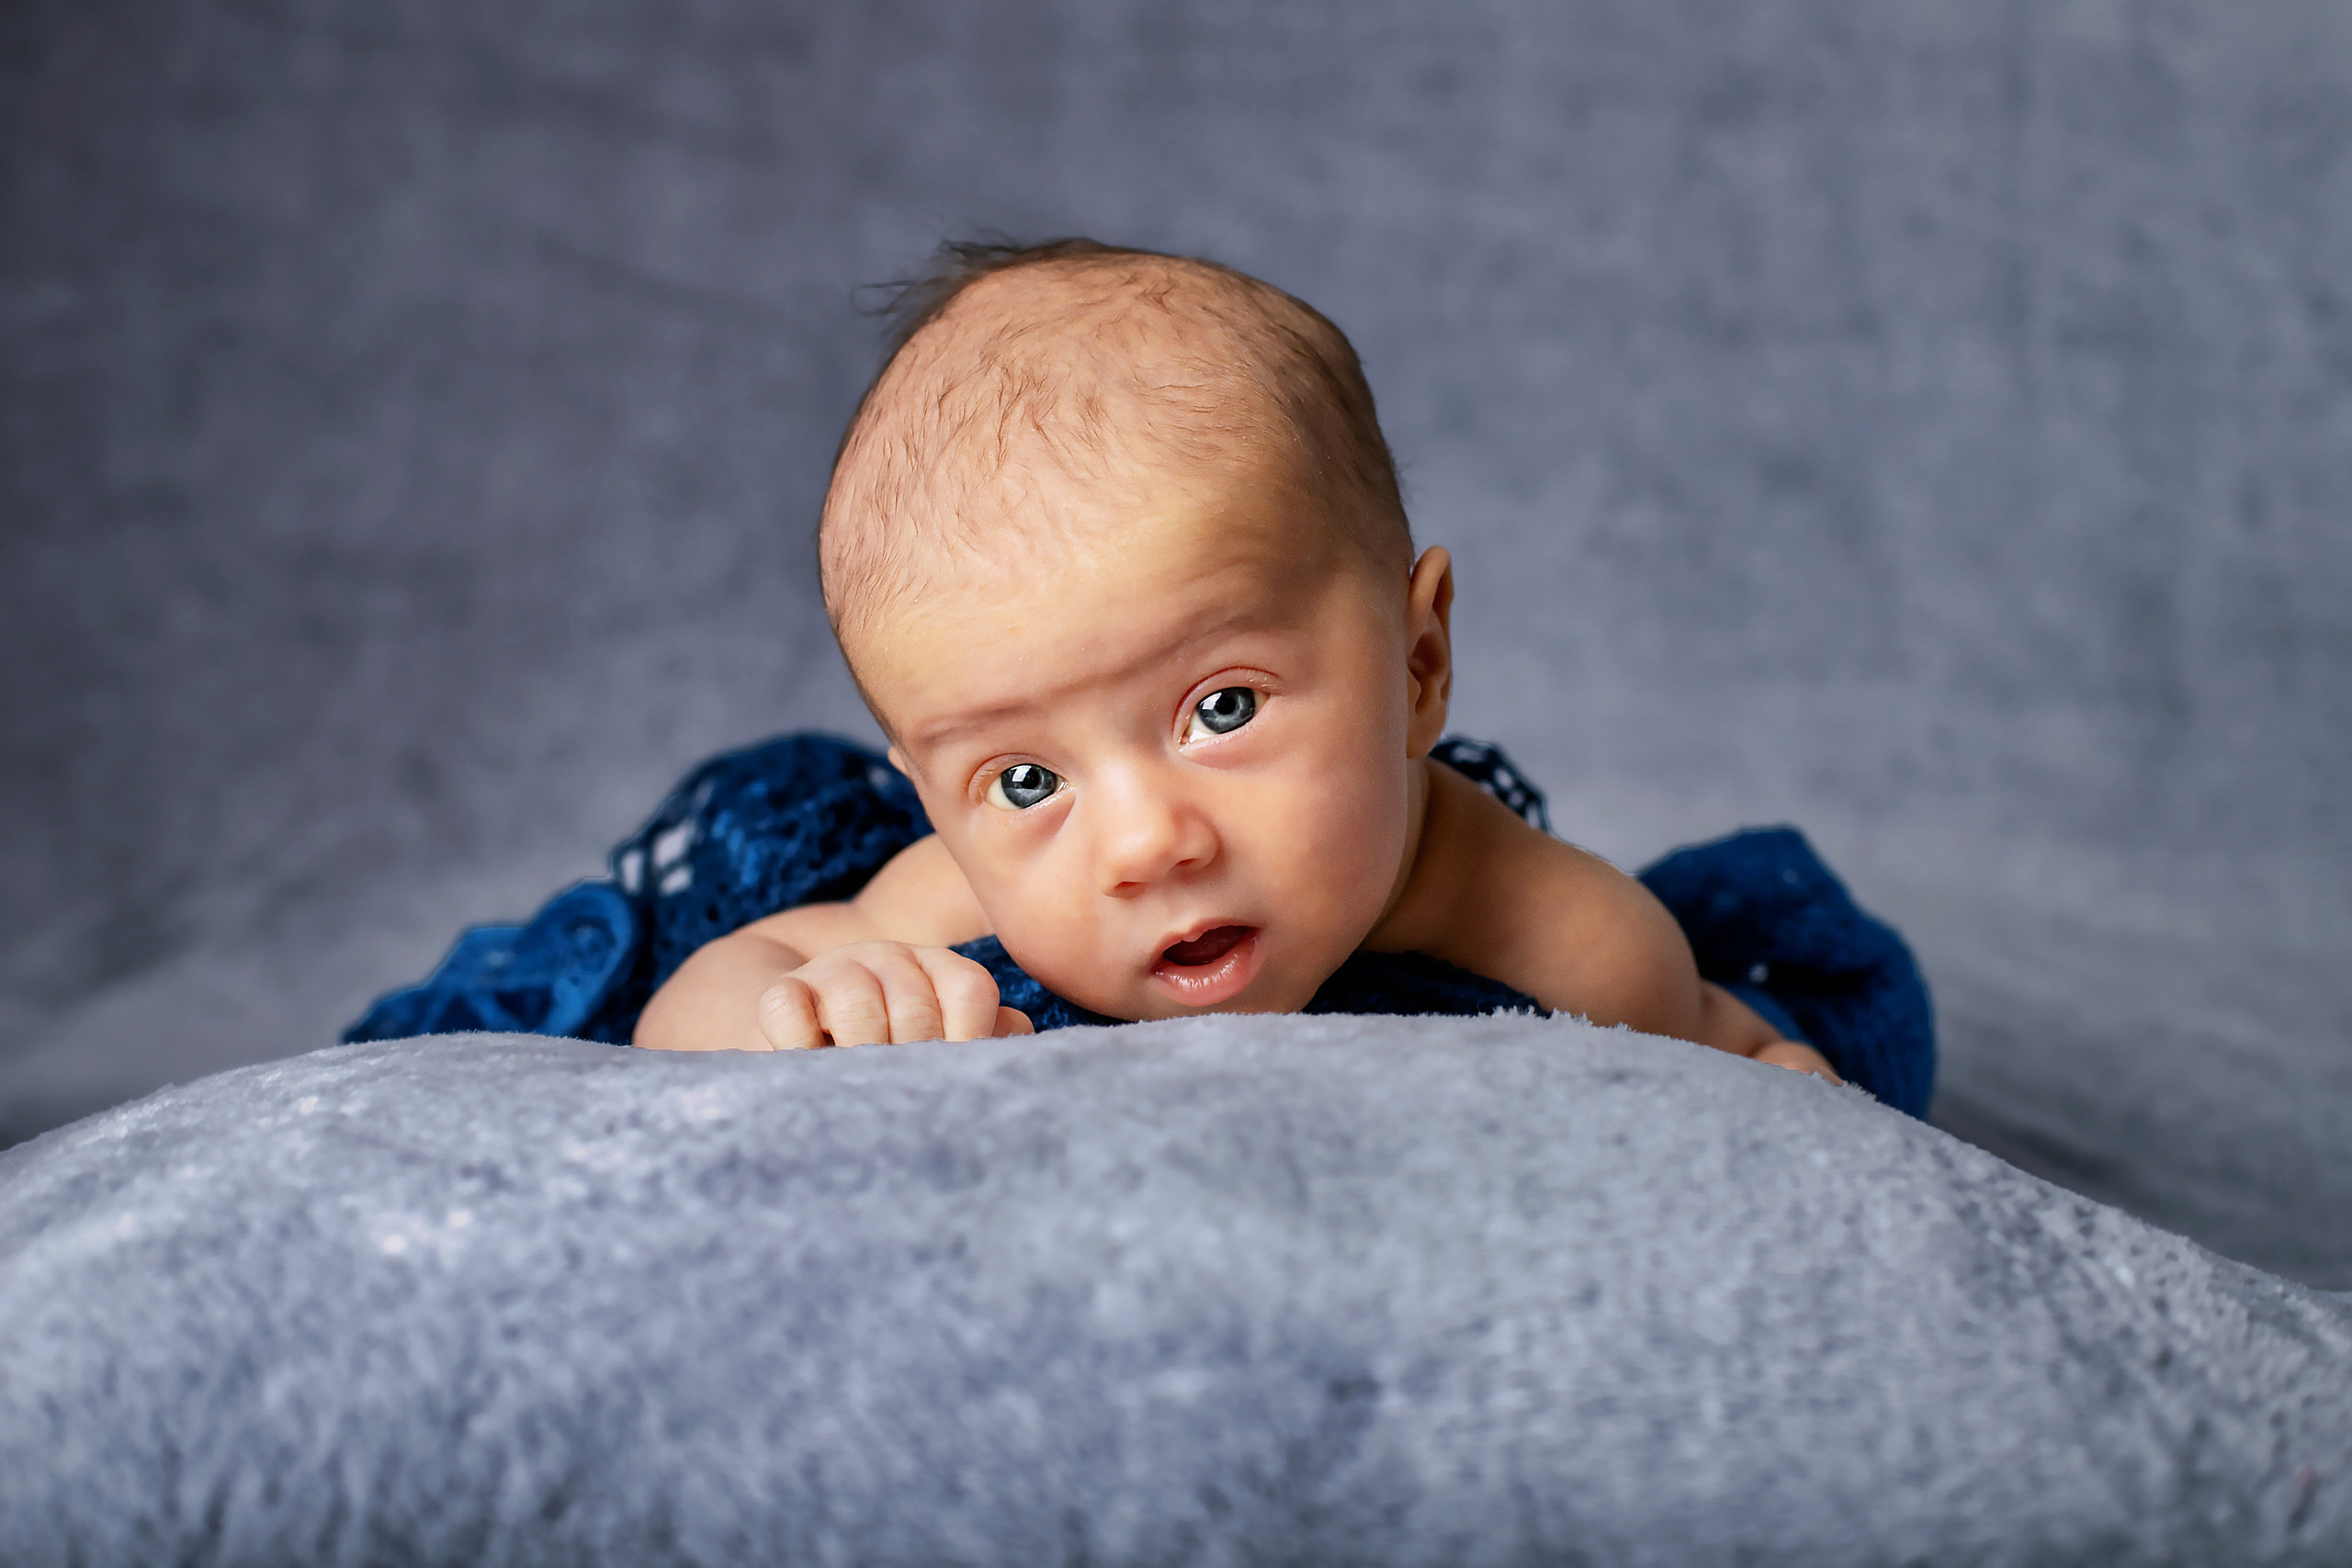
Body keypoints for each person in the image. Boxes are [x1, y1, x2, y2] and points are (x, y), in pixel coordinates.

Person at [633, 239, 1838, 1084]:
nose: (1146, 844)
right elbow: (696, 1004)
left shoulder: (1570, 939)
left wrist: (1782, 1067)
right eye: (1024, 783)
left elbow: (1726, 1047)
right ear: (936, 802)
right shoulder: (958, 901)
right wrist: (814, 1011)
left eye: (1219, 709)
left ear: (1417, 668)